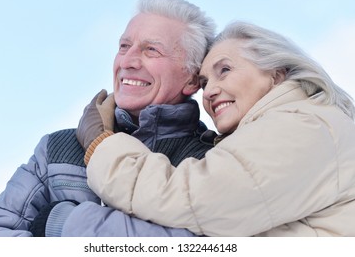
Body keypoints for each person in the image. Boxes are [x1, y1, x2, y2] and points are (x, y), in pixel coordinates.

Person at [0, 0, 216, 237]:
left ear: (192, 79)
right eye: (123, 46)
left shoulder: (212, 162)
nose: (127, 61)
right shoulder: (57, 149)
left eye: (151, 50)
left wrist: (62, 224)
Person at [84, 21, 355, 236]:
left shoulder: (304, 125)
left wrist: (101, 144)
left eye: (224, 70)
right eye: (203, 82)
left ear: (276, 74)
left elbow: (192, 198)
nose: (210, 91)